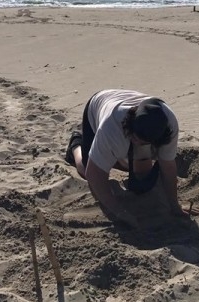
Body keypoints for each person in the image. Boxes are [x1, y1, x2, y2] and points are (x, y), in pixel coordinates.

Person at [64, 89, 191, 227]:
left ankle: (113, 155)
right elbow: (94, 174)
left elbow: (168, 166)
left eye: (142, 142)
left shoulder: (169, 124)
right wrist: (119, 212)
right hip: (98, 105)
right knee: (86, 170)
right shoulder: (111, 127)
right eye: (135, 139)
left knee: (142, 182)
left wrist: (175, 205)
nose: (137, 143)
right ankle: (76, 146)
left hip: (137, 127)